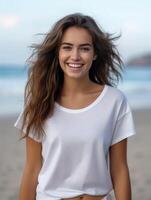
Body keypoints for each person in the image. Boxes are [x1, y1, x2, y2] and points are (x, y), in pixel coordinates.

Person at [14, 13, 136, 200]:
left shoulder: (115, 101)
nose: (75, 56)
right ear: (58, 52)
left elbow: (119, 169)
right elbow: (32, 170)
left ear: (95, 53)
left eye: (84, 48)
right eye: (67, 47)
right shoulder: (39, 101)